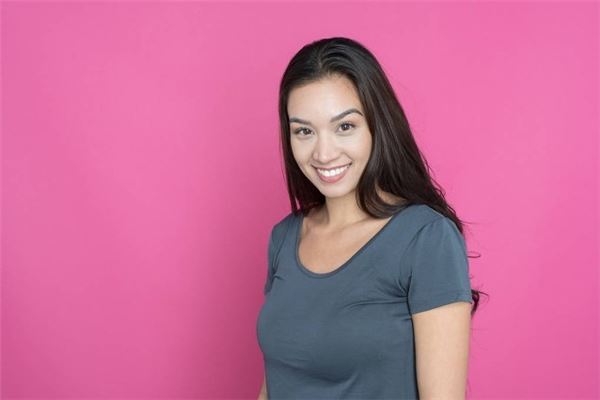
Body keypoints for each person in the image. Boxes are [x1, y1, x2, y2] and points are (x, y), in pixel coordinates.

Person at [256, 37, 485, 400]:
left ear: (378, 125)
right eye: (304, 131)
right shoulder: (284, 238)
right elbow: (276, 383)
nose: (323, 153)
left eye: (345, 126)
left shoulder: (425, 238)